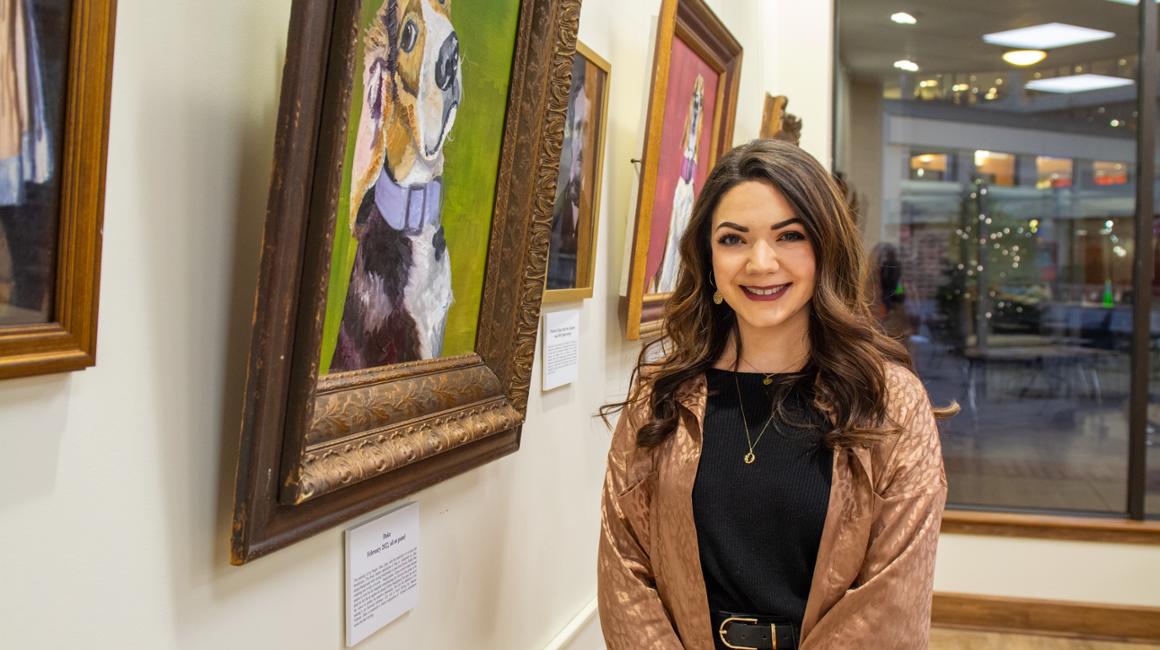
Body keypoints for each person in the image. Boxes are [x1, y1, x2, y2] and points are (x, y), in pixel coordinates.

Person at [598, 139, 958, 650]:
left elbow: (890, 608)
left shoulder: (890, 401)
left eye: (789, 236)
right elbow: (625, 575)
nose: (760, 263)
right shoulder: (662, 399)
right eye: (733, 239)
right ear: (708, 256)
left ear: (825, 248)